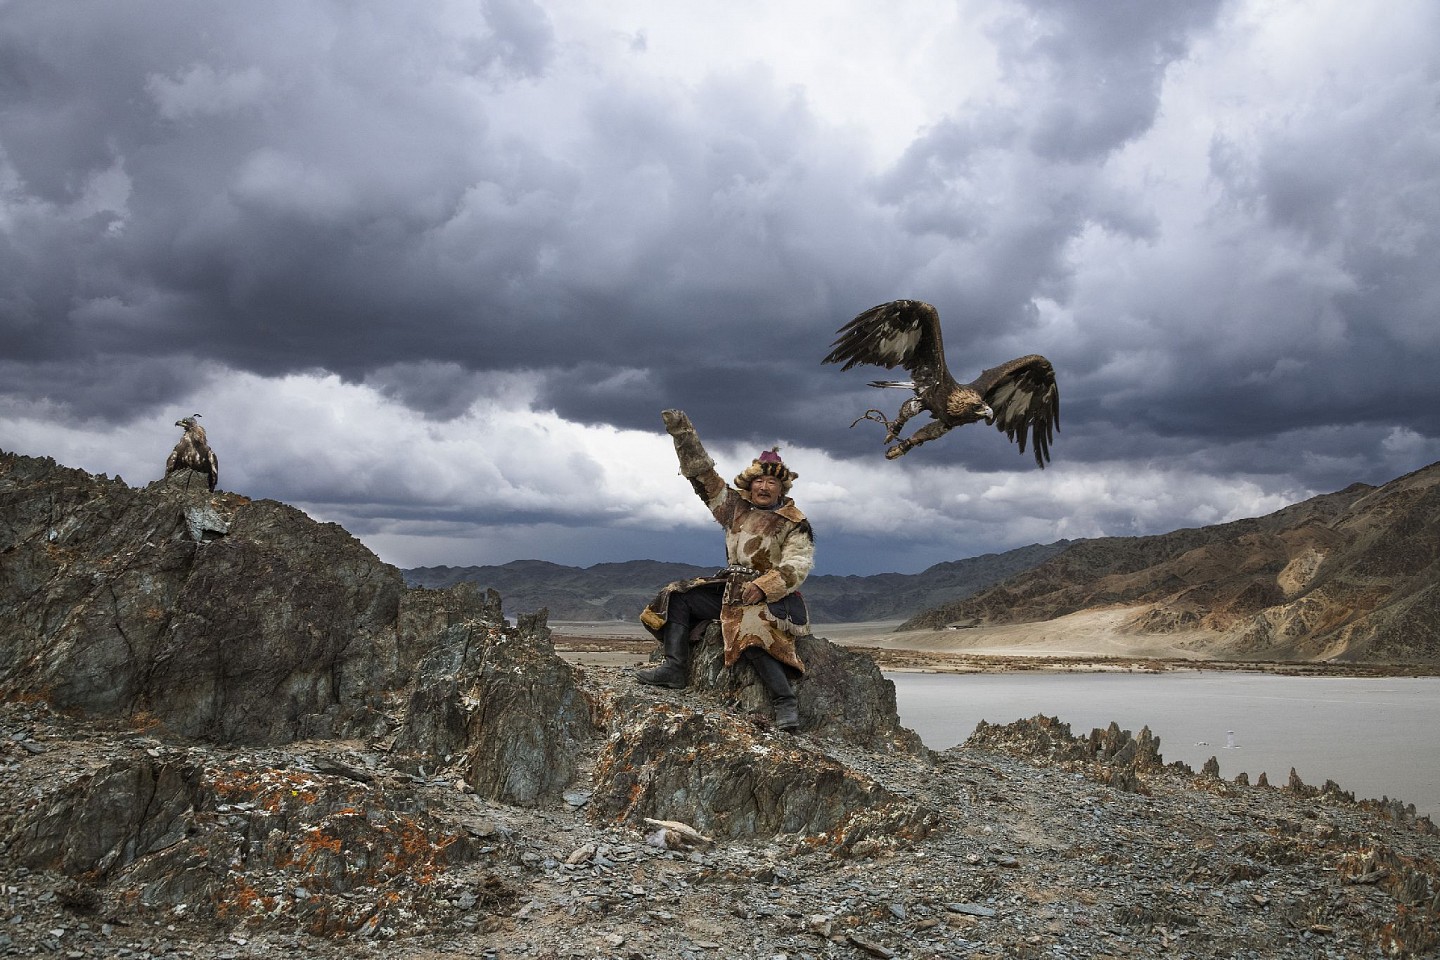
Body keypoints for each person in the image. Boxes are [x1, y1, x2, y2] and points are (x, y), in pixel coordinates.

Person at [635, 409, 814, 733]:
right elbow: (704, 477)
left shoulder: (794, 521)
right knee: (676, 597)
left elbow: (798, 563)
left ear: (781, 488)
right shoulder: (735, 510)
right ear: (750, 483)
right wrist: (683, 434)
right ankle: (675, 669)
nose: (764, 486)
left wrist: (765, 585)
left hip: (770, 597)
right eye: (759, 479)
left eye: (771, 481)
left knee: (751, 630)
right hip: (729, 587)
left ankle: (785, 703)